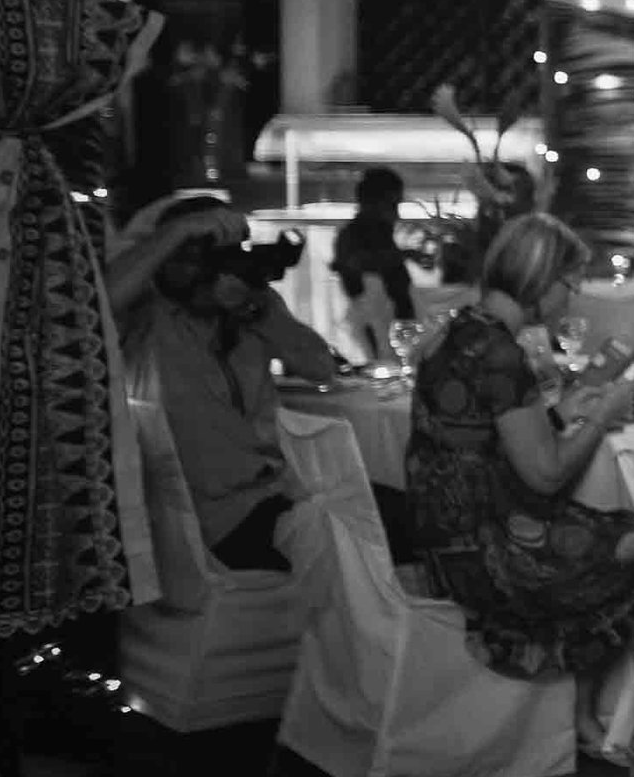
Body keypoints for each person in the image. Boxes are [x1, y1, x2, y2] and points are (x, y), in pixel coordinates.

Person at [406, 213, 634, 777]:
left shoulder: (457, 335)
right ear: (540, 279)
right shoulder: (502, 355)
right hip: (493, 558)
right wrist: (600, 417)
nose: (571, 296)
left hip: (444, 538)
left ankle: (581, 716)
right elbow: (546, 476)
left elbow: (481, 438)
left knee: (601, 524)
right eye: (570, 283)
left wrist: (556, 414)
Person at [112, 197, 416, 572]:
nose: (205, 274)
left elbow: (320, 367)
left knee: (413, 515)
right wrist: (179, 231)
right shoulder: (147, 316)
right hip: (214, 523)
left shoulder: (249, 307)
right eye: (190, 258)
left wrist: (256, 310)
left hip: (278, 494)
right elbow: (103, 298)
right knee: (360, 540)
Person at [331, 165, 415, 362]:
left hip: (393, 334)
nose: (397, 214)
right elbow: (359, 272)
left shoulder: (381, 236)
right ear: (373, 203)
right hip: (377, 339)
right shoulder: (353, 237)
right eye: (392, 205)